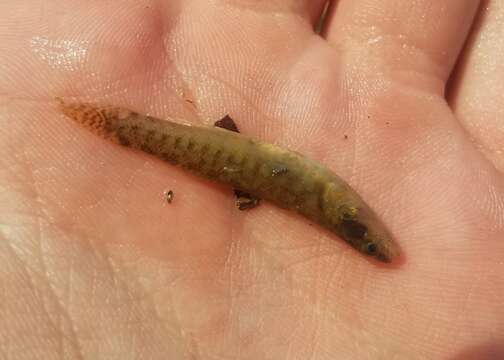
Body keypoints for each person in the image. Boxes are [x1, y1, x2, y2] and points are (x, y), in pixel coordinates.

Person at [1, 1, 502, 358]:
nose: (371, 236)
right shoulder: (336, 203)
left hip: (229, 160)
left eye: (366, 239)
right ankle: (97, 119)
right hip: (221, 157)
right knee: (143, 132)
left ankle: (101, 120)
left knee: (144, 133)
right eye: (366, 239)